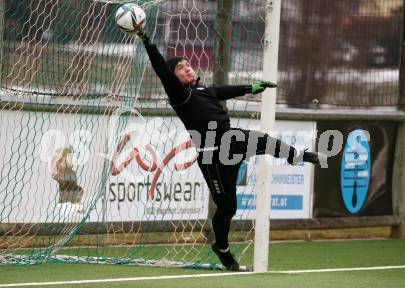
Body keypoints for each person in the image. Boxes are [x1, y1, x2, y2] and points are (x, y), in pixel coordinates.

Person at [136, 29, 321, 271]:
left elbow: (224, 90)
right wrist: (147, 41)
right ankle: (221, 248)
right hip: (213, 154)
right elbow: (161, 69)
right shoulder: (179, 94)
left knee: (263, 141)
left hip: (231, 141)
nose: (188, 68)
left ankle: (300, 156)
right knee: (227, 208)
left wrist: (251, 87)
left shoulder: (204, 90)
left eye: (188, 64)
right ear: (174, 77)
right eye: (180, 68)